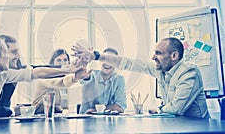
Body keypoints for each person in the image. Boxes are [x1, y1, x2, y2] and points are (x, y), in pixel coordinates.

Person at [72, 37, 210, 118]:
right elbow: (129, 63)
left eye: (158, 53)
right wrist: (96, 56)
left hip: (197, 129)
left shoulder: (189, 71)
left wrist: (160, 109)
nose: (153, 57)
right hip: (176, 126)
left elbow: (176, 109)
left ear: (174, 56)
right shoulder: (161, 69)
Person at [79, 48, 126, 114]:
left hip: (110, 122)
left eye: (111, 60)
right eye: (105, 59)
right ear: (100, 61)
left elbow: (120, 106)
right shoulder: (92, 75)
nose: (107, 63)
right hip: (88, 120)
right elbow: (85, 79)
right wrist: (83, 73)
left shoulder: (119, 79)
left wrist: (96, 110)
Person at [0, 35, 24, 117]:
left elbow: (3, 107)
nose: (18, 56)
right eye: (14, 52)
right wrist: (12, 111)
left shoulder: (15, 69)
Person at [33, 49, 73, 114]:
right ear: (53, 63)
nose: (63, 63)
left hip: (58, 120)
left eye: (65, 60)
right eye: (59, 60)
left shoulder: (65, 82)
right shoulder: (46, 80)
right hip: (40, 118)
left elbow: (65, 107)